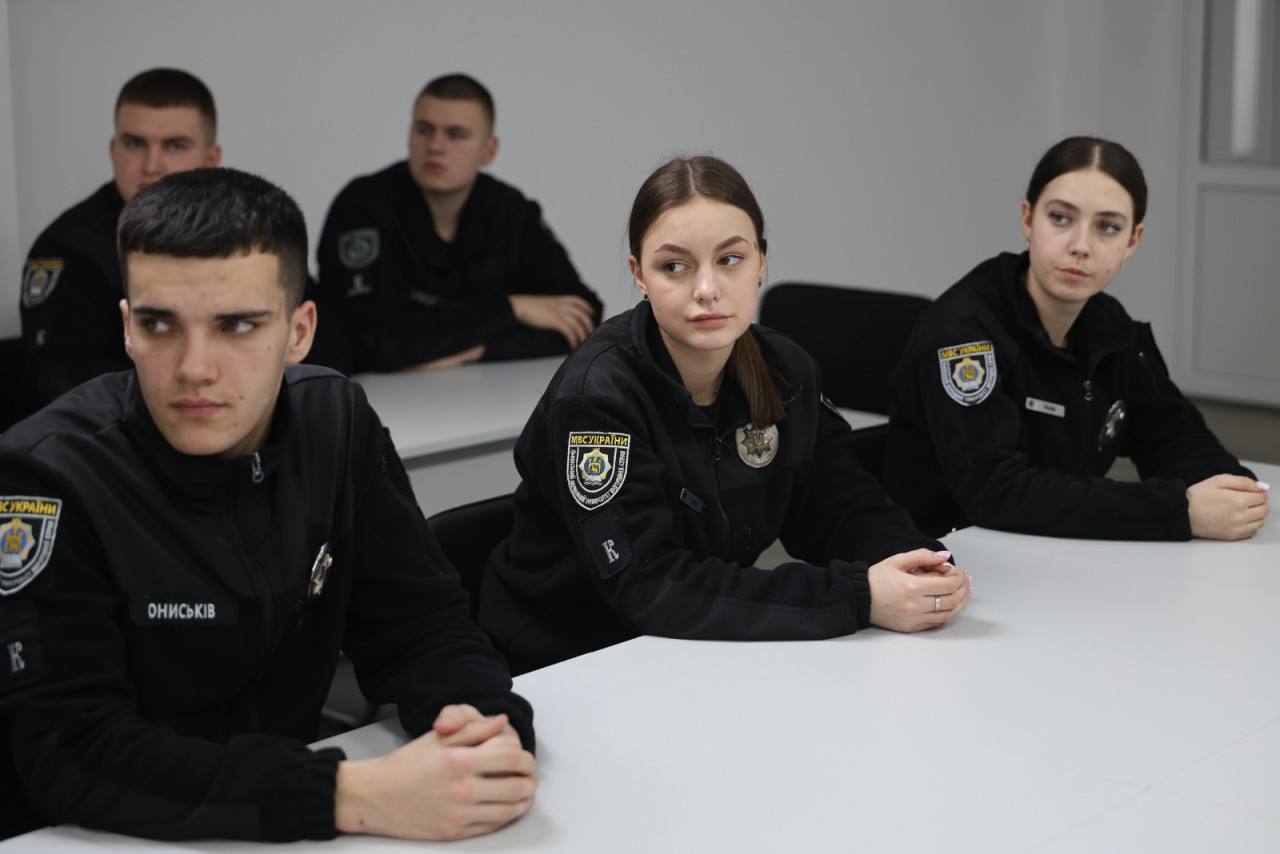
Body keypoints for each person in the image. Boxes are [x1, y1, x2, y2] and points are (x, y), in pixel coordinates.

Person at [0, 168, 537, 843]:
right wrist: (347, 794)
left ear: (299, 331)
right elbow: (72, 753)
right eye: (160, 324)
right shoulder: (46, 477)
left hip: (275, 822)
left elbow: (421, 626)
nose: (195, 368)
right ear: (128, 328)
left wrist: (484, 726)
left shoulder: (335, 423)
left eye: (236, 325)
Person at [479, 155, 972, 675]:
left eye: (730, 259)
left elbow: (840, 505)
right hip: (569, 660)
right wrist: (858, 596)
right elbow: (651, 585)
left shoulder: (785, 369)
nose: (707, 289)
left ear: (761, 262)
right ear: (639, 275)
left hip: (691, 646)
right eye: (674, 266)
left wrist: (914, 562)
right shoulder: (597, 399)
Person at [883, 136, 1269, 540]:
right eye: (1060, 218)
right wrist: (1177, 510)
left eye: (1107, 227)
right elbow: (995, 491)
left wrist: (1227, 486)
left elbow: (1171, 434)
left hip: (1050, 544)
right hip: (947, 552)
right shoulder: (963, 331)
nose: (1081, 246)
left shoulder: (1108, 323)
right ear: (1028, 219)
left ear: (1131, 242)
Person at [316, 73, 603, 373]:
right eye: (424, 130)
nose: (435, 146)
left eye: (456, 134)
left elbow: (582, 316)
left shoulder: (508, 209)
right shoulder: (362, 207)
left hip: (487, 396)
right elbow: (371, 342)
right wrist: (512, 309)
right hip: (379, 397)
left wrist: (475, 352)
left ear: (489, 151)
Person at [20, 68, 223, 405]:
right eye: (135, 143)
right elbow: (64, 378)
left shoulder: (244, 234)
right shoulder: (70, 248)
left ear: (211, 160)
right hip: (120, 432)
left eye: (175, 145)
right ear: (114, 150)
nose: (152, 165)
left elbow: (307, 339)